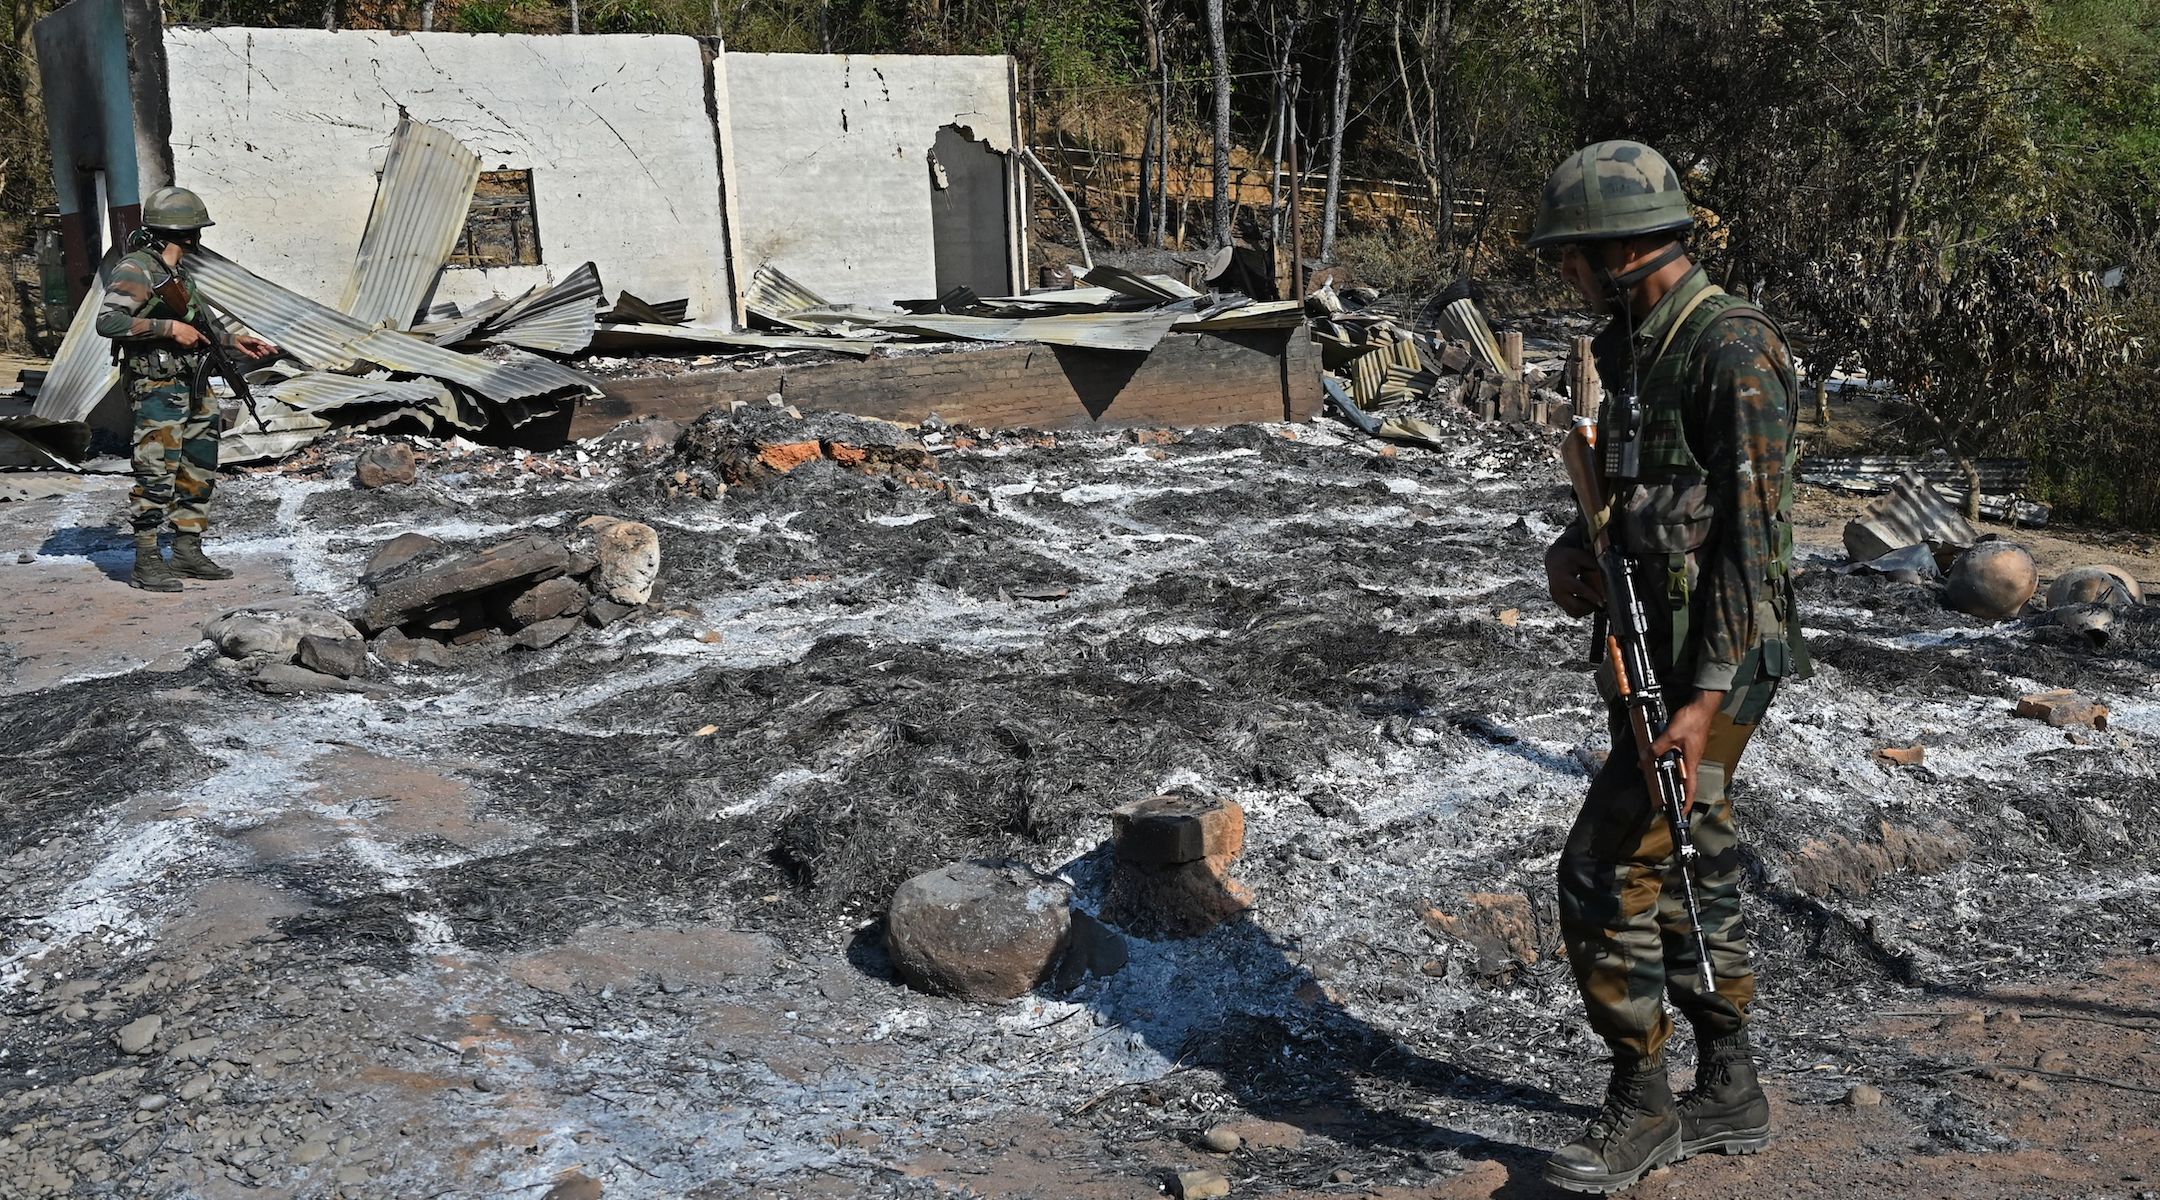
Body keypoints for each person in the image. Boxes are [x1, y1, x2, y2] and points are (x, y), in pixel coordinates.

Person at [1527, 140, 1809, 1193]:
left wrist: (1701, 703)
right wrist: (1571, 555)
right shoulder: (1633, 342)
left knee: (1604, 873)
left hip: (1716, 663)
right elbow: (1619, 496)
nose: (1564, 275)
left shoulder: (1731, 349)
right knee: (1692, 859)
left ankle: (1642, 1102)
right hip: (1652, 645)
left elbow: (1754, 544)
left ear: (1623, 249)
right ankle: (1728, 1084)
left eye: (1573, 256)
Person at [94, 185, 278, 592]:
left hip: (192, 384)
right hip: (157, 387)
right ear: (187, 233)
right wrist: (168, 328)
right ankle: (146, 559)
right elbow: (108, 322)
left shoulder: (176, 274)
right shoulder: (137, 269)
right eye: (196, 229)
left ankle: (186, 549)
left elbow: (202, 327)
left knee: (199, 465)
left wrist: (234, 341)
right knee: (156, 469)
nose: (198, 237)